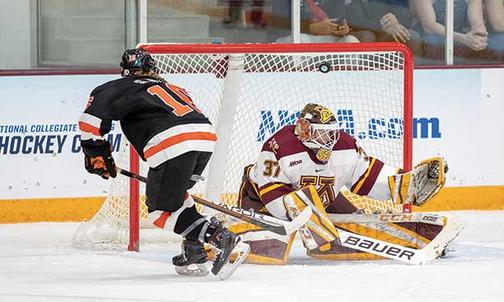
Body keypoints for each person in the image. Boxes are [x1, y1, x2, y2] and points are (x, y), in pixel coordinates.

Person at [78, 48, 247, 278]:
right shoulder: (172, 87)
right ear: (152, 69)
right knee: (177, 199)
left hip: (171, 144)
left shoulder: (116, 88)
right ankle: (194, 251)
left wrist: (96, 153)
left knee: (160, 212)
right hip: (204, 140)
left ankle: (219, 237)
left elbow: (90, 122)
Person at [228, 103, 449, 264]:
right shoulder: (279, 146)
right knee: (272, 249)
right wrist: (314, 223)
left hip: (322, 199)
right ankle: (224, 235)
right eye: (323, 135)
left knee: (354, 225)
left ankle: (409, 237)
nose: (330, 141)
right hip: (263, 202)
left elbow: (367, 178)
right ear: (304, 130)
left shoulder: (344, 144)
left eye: (332, 134)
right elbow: (277, 202)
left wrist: (404, 185)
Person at [411, 0, 489, 62]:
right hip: (430, 36)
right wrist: (463, 39)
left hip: (460, 37)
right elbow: (429, 26)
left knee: (482, 45)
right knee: (434, 40)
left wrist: (479, 36)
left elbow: (477, 24)